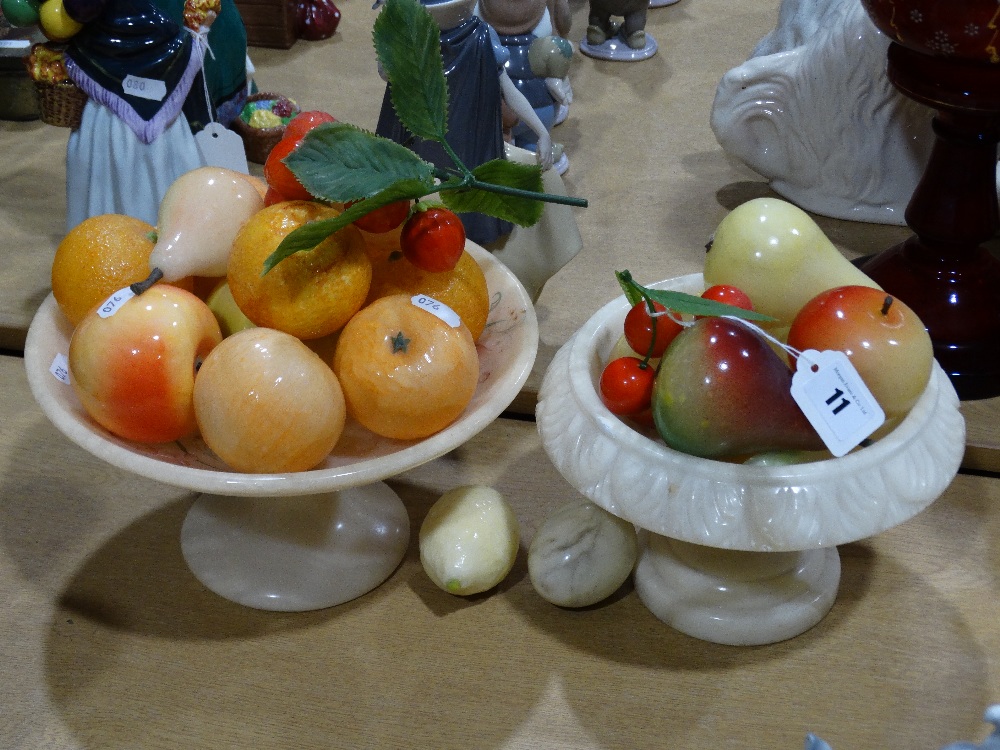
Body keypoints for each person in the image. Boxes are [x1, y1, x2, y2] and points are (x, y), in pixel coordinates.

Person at [375, 0, 552, 246]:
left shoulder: (481, 37)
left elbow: (508, 89)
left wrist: (541, 132)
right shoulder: (408, 39)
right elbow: (385, 73)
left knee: (463, 204)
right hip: (417, 145)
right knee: (416, 213)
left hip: (466, 147)